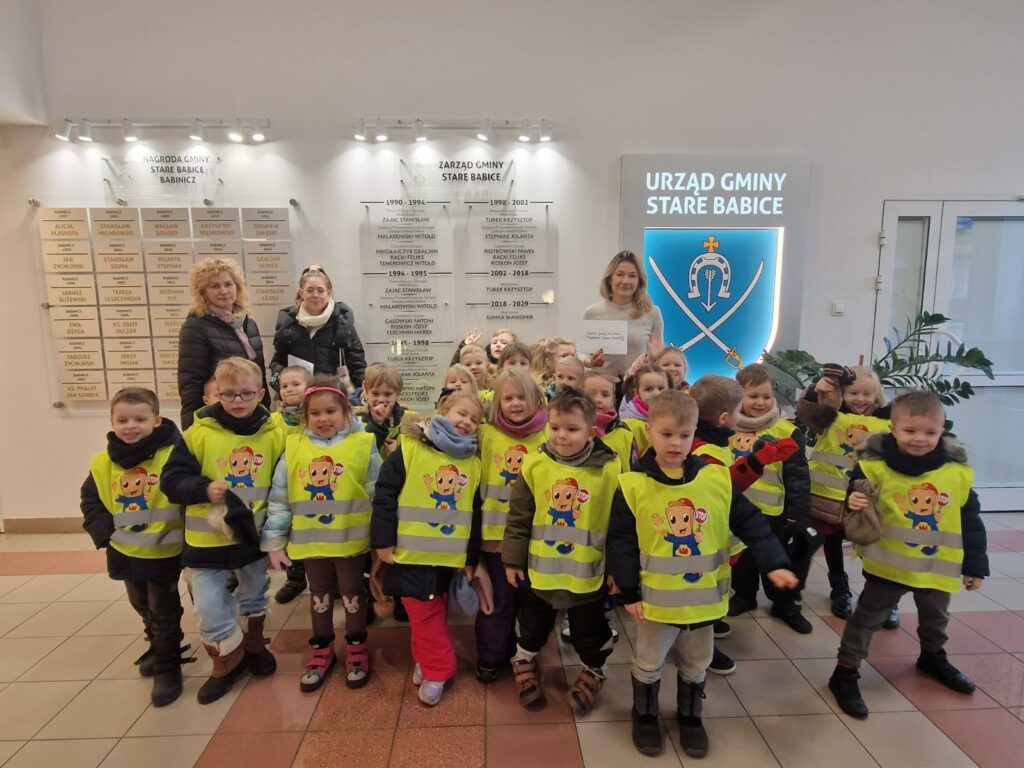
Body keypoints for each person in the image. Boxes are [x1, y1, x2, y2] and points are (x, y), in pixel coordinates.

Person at [608, 390, 797, 757]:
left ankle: (690, 716)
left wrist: (775, 562)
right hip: (656, 604)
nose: (675, 443)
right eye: (666, 434)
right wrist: (628, 591)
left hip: (704, 601)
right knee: (649, 662)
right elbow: (622, 542)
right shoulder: (633, 485)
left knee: (697, 663)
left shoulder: (716, 479)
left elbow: (752, 524)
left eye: (684, 435)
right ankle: (644, 715)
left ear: (695, 432)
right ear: (649, 431)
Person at [828, 390, 988, 719]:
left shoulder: (955, 473)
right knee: (866, 620)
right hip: (888, 567)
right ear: (893, 429)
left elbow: (970, 520)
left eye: (930, 432)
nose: (920, 438)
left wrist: (975, 565)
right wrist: (852, 502)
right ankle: (845, 672)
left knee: (936, 618)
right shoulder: (874, 467)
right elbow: (855, 500)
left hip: (936, 568)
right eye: (910, 430)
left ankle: (933, 657)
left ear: (942, 431)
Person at [161, 356, 285, 704]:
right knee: (209, 605)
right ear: (216, 394)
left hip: (251, 538)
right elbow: (171, 481)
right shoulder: (197, 434)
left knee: (254, 594)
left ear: (260, 393)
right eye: (228, 394)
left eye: (246, 393)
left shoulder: (275, 435)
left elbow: (282, 485)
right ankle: (226, 660)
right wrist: (202, 489)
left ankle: (254, 645)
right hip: (206, 542)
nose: (237, 401)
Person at [502, 389, 620, 714]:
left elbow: (618, 525)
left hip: (587, 575)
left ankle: (595, 668)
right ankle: (524, 658)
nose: (561, 436)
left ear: (591, 431)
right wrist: (512, 559)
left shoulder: (610, 470)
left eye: (572, 429)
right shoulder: (535, 465)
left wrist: (616, 570)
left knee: (588, 632)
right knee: (532, 625)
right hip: (540, 573)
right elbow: (519, 516)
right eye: (555, 428)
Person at [262, 375, 382, 691]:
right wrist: (275, 542)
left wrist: (382, 540)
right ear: (306, 415)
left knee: (353, 594)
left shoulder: (363, 444)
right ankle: (322, 647)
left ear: (346, 411)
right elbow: (280, 499)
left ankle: (356, 646)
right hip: (310, 543)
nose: (323, 419)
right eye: (315, 413)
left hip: (351, 543)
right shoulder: (294, 448)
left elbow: (377, 494)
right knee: (319, 595)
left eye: (330, 411)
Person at [370, 391, 484, 706]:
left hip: (447, 560)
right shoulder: (409, 449)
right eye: (462, 413)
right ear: (441, 411)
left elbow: (474, 515)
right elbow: (384, 496)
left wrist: (470, 558)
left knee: (427, 616)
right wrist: (382, 541)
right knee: (424, 615)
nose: (467, 422)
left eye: (475, 419)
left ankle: (431, 664)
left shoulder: (473, 464)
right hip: (409, 555)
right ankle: (437, 667)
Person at [81, 387, 187, 707]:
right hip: (124, 550)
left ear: (157, 420)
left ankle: (168, 668)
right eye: (123, 420)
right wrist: (105, 535)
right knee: (141, 604)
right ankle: (156, 644)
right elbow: (91, 501)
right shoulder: (103, 463)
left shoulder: (174, 455)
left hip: (165, 550)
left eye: (140, 419)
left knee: (164, 610)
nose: (131, 426)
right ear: (111, 421)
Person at [689, 374, 800, 675]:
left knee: (714, 587)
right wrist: (757, 461)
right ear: (724, 417)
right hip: (707, 536)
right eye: (738, 411)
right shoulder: (704, 450)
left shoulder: (710, 440)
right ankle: (701, 648)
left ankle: (709, 623)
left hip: (714, 531)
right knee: (706, 589)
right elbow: (726, 487)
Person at [798, 364, 897, 626]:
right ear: (842, 394)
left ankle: (881, 598)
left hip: (868, 498)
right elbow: (808, 414)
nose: (860, 399)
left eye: (867, 394)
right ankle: (839, 589)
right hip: (831, 496)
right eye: (853, 393)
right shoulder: (830, 416)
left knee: (872, 544)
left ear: (877, 395)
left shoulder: (890, 421)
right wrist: (814, 392)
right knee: (832, 542)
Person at [727, 364, 813, 634]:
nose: (760, 402)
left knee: (778, 560)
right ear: (739, 395)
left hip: (773, 513)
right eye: (752, 396)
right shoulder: (728, 427)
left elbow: (797, 477)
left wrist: (796, 512)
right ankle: (744, 596)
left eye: (766, 396)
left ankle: (785, 604)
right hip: (737, 511)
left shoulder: (786, 431)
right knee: (742, 560)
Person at [475, 369, 549, 682]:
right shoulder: (485, 434)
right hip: (495, 539)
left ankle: (525, 654)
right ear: (497, 402)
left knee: (531, 603)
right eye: (508, 398)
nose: (515, 403)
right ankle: (491, 655)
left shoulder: (549, 435)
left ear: (536, 399)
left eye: (522, 397)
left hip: (536, 539)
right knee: (498, 601)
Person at [178, 258, 270, 429]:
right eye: (214, 286)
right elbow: (190, 383)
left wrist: (266, 415)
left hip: (251, 415)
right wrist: (191, 429)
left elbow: (259, 376)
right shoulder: (196, 326)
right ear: (203, 292)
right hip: (218, 419)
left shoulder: (248, 324)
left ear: (237, 287)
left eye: (228, 284)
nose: (224, 291)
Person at [269, 266, 366, 395]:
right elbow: (278, 362)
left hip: (334, 396)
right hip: (297, 399)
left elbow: (357, 365)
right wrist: (283, 385)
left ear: (329, 293)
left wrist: (363, 394)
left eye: (321, 290)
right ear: (301, 293)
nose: (315, 295)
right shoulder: (288, 324)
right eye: (310, 290)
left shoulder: (343, 324)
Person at [268, 365, 315, 605]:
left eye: (296, 384)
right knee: (288, 533)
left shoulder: (313, 417)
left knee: (309, 533)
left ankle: (323, 579)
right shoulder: (273, 421)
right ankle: (295, 579)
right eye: (284, 385)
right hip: (283, 487)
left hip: (310, 486)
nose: (289, 389)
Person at [581, 250, 665, 382]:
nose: (625, 281)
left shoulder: (652, 313)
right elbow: (581, 353)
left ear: (639, 281)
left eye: (632, 276)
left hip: (636, 385)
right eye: (620, 274)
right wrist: (590, 362)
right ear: (610, 279)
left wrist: (653, 357)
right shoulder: (592, 312)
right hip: (600, 385)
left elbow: (658, 354)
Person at [582, 371, 635, 473]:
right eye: (591, 394)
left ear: (613, 401)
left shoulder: (625, 433)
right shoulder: (572, 431)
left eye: (605, 395)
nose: (598, 399)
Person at [356, 363, 409, 460]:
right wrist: (377, 424)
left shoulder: (409, 420)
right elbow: (360, 453)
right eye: (375, 393)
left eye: (388, 394)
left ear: (398, 393)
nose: (381, 399)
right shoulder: (357, 422)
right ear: (365, 390)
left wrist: (400, 451)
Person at [619, 363, 669, 460]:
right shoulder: (629, 424)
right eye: (649, 389)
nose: (656, 393)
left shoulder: (675, 414)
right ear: (636, 393)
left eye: (661, 388)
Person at [453, 328, 518, 365]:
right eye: (494, 343)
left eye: (504, 343)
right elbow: (456, 370)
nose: (498, 345)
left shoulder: (517, 366)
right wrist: (465, 346)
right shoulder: (483, 364)